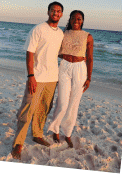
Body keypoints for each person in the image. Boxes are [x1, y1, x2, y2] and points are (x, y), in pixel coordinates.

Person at [12, 1, 65, 159]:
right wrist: (31, 76)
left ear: (61, 14)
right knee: (27, 110)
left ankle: (37, 134)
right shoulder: (38, 29)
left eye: (58, 11)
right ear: (48, 12)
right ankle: (18, 143)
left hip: (52, 78)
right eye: (53, 10)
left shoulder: (60, 33)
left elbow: (55, 52)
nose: (55, 13)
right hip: (37, 77)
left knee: (43, 108)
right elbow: (29, 53)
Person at [47, 10, 93, 148]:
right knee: (62, 102)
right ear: (70, 19)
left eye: (79, 19)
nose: (76, 21)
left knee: (73, 103)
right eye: (73, 18)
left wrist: (89, 78)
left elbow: (90, 58)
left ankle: (67, 133)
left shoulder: (88, 36)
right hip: (65, 68)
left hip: (80, 69)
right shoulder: (63, 33)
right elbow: (55, 50)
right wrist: (66, 56)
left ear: (82, 21)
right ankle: (55, 129)